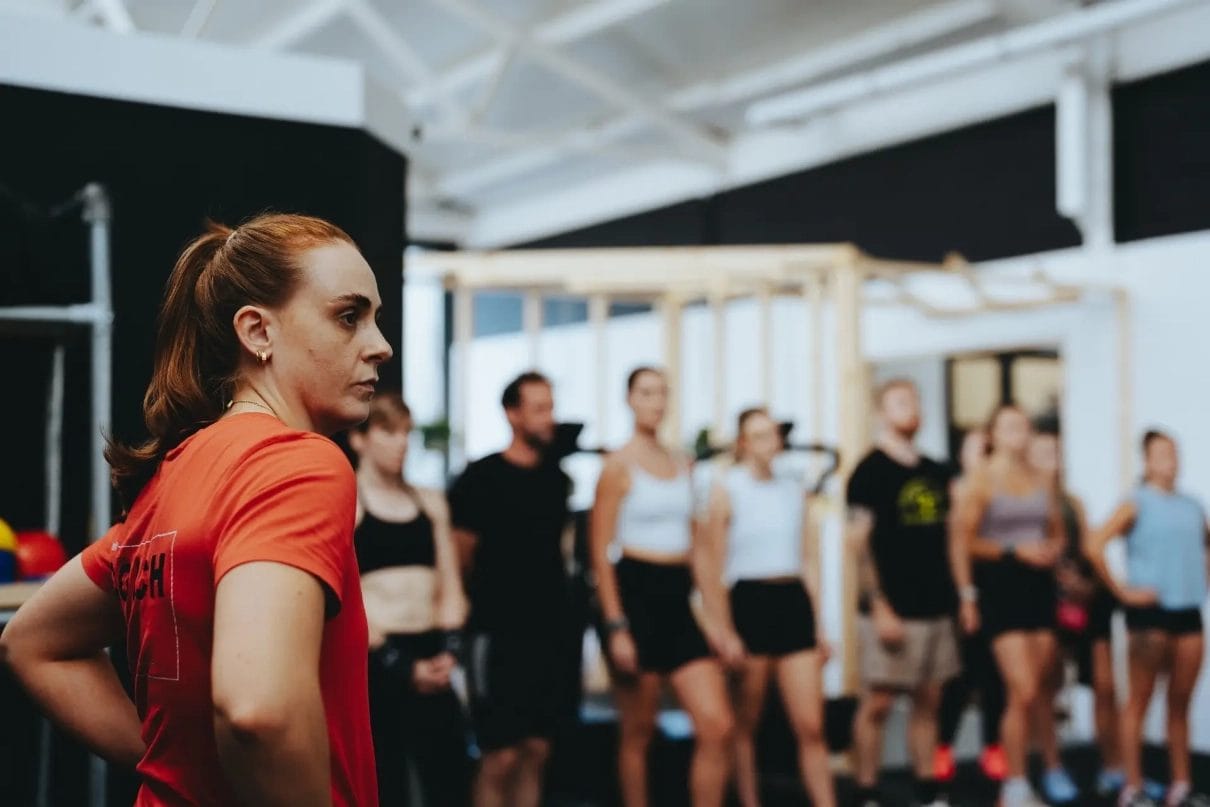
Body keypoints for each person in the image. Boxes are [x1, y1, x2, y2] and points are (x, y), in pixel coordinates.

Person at [0, 214, 390, 805]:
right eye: (348, 316)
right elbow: (259, 711)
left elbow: (33, 642)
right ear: (257, 331)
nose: (381, 345)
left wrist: (175, 767)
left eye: (374, 318)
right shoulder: (297, 463)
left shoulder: (173, 476)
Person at [590, 366, 736, 807]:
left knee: (717, 725)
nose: (656, 402)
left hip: (676, 597)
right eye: (646, 393)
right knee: (639, 732)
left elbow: (700, 552)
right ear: (630, 399)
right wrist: (616, 626)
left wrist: (720, 624)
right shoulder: (617, 466)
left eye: (662, 393)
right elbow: (601, 552)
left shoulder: (683, 465)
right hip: (636, 594)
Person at [847, 379, 977, 807]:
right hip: (892, 607)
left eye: (916, 400)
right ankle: (866, 793)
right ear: (881, 413)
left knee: (929, 701)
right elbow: (857, 546)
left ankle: (928, 792)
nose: (912, 408)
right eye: (901, 402)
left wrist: (965, 595)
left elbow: (955, 539)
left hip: (936, 606)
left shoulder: (937, 472)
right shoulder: (868, 472)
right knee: (878, 704)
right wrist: (878, 604)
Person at [449, 371, 572, 807]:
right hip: (496, 634)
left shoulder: (557, 480)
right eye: (538, 408)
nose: (548, 417)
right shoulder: (480, 478)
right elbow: (460, 558)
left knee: (537, 750)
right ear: (512, 414)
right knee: (500, 756)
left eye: (550, 407)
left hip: (550, 635)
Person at [702, 407, 834, 807]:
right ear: (743, 443)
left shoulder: (794, 490)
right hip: (749, 603)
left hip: (792, 601)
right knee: (746, 723)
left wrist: (819, 626)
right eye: (758, 436)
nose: (768, 443)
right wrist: (724, 630)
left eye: (773, 434)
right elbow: (713, 565)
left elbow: (808, 561)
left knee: (811, 724)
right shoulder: (728, 489)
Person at [350, 393, 470, 806]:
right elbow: (345, 600)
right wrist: (399, 665)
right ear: (360, 439)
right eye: (388, 431)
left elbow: (451, 585)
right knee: (388, 785)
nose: (401, 442)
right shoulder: (348, 504)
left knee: (450, 780)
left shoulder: (430, 502)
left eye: (406, 432)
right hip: (378, 658)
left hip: (432, 650)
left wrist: (449, 650)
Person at [953, 404, 1068, 807]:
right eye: (1009, 426)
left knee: (1037, 692)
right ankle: (1013, 786)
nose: (1018, 432)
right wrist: (970, 594)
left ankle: (1028, 777)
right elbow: (965, 542)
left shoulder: (1041, 478)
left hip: (1039, 589)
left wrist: (1053, 549)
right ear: (994, 434)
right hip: (1000, 589)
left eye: (1023, 425)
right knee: (1022, 688)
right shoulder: (981, 480)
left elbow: (1056, 530)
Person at [1087, 430, 1209, 807]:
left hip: (1188, 612)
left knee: (1180, 704)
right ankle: (1133, 787)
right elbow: (1094, 545)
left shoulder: (1192, 506)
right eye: (1161, 453)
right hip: (1149, 615)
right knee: (1138, 701)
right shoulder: (1135, 503)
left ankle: (1181, 785)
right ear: (1147, 460)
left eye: (1173, 452)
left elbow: (1205, 546)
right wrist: (1123, 592)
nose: (1169, 460)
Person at [1030, 428, 1122, 798]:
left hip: (1086, 600)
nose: (1052, 458)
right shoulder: (1023, 504)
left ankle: (1114, 766)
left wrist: (1087, 584)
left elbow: (1085, 546)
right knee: (1047, 686)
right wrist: (1059, 580)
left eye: (1056, 450)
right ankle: (1052, 766)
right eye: (1043, 451)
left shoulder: (1073, 502)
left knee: (1105, 685)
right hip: (1046, 601)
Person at [936, 428, 1007, 784]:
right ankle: (943, 747)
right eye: (976, 449)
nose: (982, 456)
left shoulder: (1000, 493)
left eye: (987, 449)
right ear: (962, 455)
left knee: (996, 677)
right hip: (957, 595)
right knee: (959, 677)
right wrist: (965, 597)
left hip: (996, 593)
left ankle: (992, 746)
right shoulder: (951, 493)